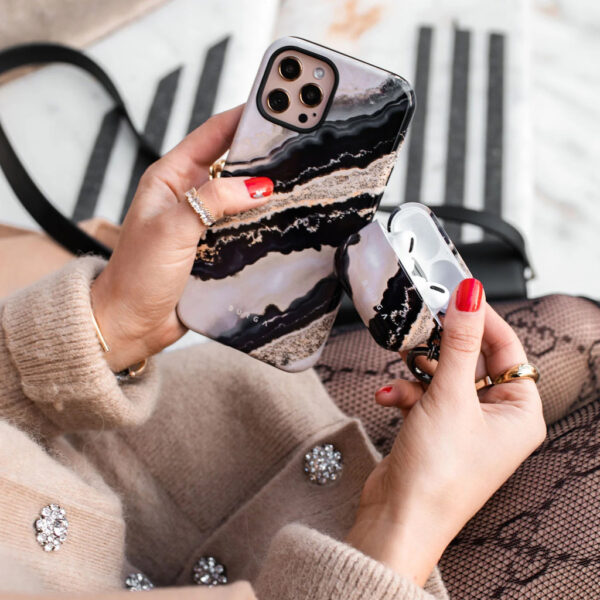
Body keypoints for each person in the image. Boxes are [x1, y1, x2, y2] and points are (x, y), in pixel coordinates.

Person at [0, 106, 545, 599]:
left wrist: (109, 323)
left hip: (143, 448)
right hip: (330, 568)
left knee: (553, 351)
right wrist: (403, 524)